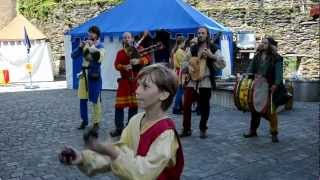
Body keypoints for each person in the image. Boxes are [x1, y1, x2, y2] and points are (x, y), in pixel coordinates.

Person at [59, 64, 184, 180]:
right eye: (138, 84)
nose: (137, 91)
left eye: (145, 86)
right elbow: (119, 153)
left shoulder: (166, 133)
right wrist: (83, 158)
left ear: (163, 95)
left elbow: (145, 172)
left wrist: (114, 152)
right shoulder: (136, 120)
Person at [180, 27, 224, 139]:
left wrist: (211, 56)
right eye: (198, 33)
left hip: (205, 82)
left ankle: (203, 128)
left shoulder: (213, 48)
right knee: (186, 105)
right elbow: (183, 62)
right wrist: (188, 67)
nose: (200, 35)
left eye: (202, 33)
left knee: (204, 107)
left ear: (207, 35)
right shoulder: (193, 48)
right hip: (192, 82)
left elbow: (222, 63)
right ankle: (186, 129)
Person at [110, 32, 151, 137]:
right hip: (124, 82)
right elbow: (116, 65)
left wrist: (139, 61)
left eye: (128, 37)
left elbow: (148, 59)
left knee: (133, 106)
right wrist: (123, 67)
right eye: (124, 38)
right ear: (123, 40)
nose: (127, 39)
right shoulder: (120, 52)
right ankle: (119, 128)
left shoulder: (139, 48)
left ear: (132, 39)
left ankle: (130, 127)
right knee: (119, 106)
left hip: (135, 82)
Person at [243, 37, 283, 143]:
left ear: (270, 45)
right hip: (258, 86)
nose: (263, 44)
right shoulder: (258, 56)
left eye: (265, 43)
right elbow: (251, 69)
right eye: (262, 42)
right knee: (254, 110)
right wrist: (247, 77)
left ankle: (274, 133)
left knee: (271, 111)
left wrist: (276, 84)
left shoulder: (276, 58)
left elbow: (279, 73)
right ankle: (253, 131)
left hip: (270, 86)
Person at [71, 26, 104, 130]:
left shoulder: (100, 46)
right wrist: (80, 47)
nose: (90, 35)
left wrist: (92, 47)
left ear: (97, 35)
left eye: (93, 33)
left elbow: (99, 58)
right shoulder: (84, 44)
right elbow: (73, 55)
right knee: (82, 99)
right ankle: (84, 121)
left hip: (94, 76)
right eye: (89, 33)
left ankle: (96, 122)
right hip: (84, 75)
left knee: (96, 100)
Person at [171, 36, 187, 114]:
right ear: (182, 42)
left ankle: (179, 107)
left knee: (180, 91)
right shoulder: (179, 51)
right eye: (184, 42)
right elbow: (183, 63)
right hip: (180, 72)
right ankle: (176, 107)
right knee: (180, 91)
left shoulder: (176, 50)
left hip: (178, 71)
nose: (185, 44)